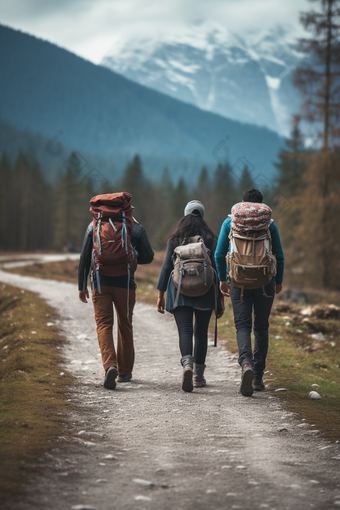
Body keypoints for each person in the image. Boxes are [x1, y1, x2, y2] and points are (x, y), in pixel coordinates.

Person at [78, 192, 154, 390]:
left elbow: (85, 258)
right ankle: (125, 372)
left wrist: (81, 286)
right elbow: (149, 257)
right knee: (125, 324)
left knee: (104, 325)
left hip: (99, 283)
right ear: (127, 208)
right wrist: (131, 254)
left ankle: (109, 365)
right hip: (125, 283)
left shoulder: (94, 225)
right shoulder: (134, 227)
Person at [215, 188, 284, 396]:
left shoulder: (230, 222)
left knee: (242, 326)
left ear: (243, 203)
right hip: (265, 283)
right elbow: (279, 256)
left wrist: (222, 279)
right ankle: (259, 379)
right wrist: (278, 281)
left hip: (238, 282)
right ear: (261, 205)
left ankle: (246, 365)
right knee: (261, 328)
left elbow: (219, 254)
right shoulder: (270, 224)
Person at [157, 200, 224, 392]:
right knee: (201, 333)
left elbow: (166, 268)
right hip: (205, 290)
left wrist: (160, 294)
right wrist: (220, 299)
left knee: (185, 331)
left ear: (185, 215)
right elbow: (218, 269)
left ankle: (187, 363)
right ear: (202, 216)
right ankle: (198, 376)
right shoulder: (211, 237)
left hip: (180, 293)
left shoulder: (175, 238)